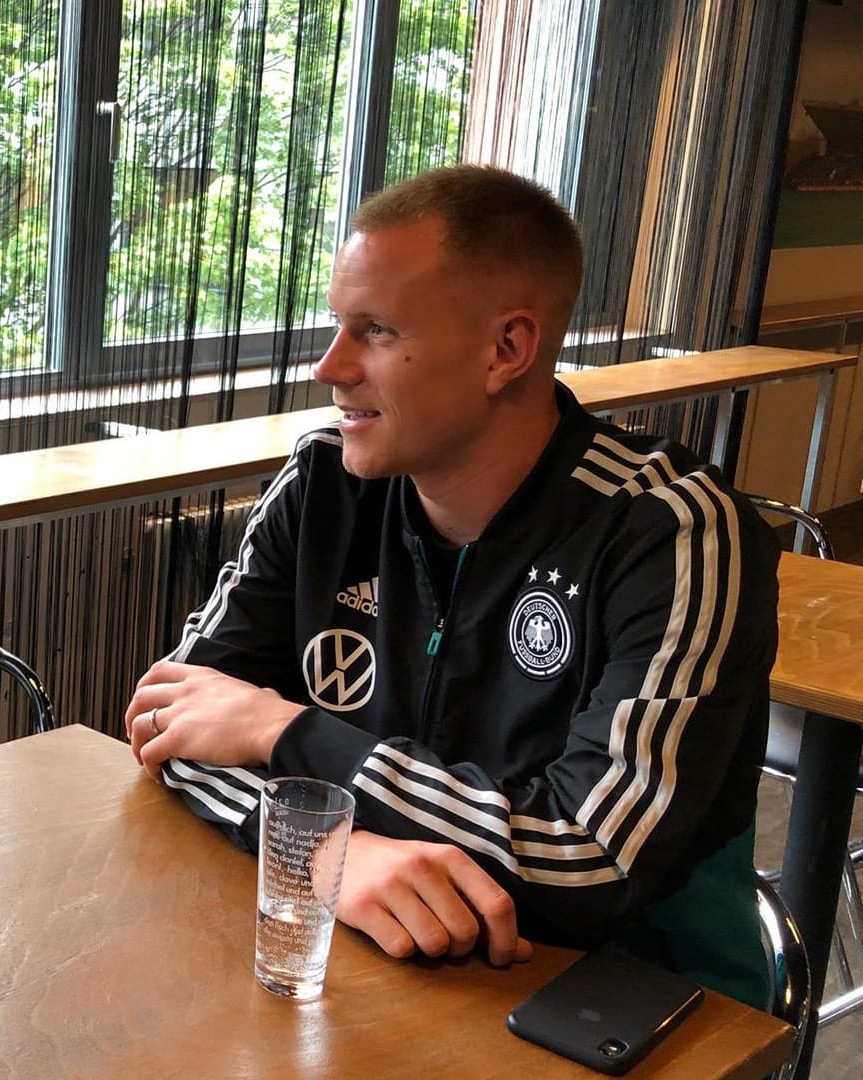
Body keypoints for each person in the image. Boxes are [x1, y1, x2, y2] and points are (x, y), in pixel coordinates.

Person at [125, 165, 777, 1007]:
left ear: (508, 349)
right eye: (336, 326)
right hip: (379, 968)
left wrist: (285, 733)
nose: (330, 367)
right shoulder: (325, 481)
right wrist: (322, 850)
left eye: (376, 331)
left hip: (625, 1002)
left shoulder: (674, 530)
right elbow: (168, 723)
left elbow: (591, 858)